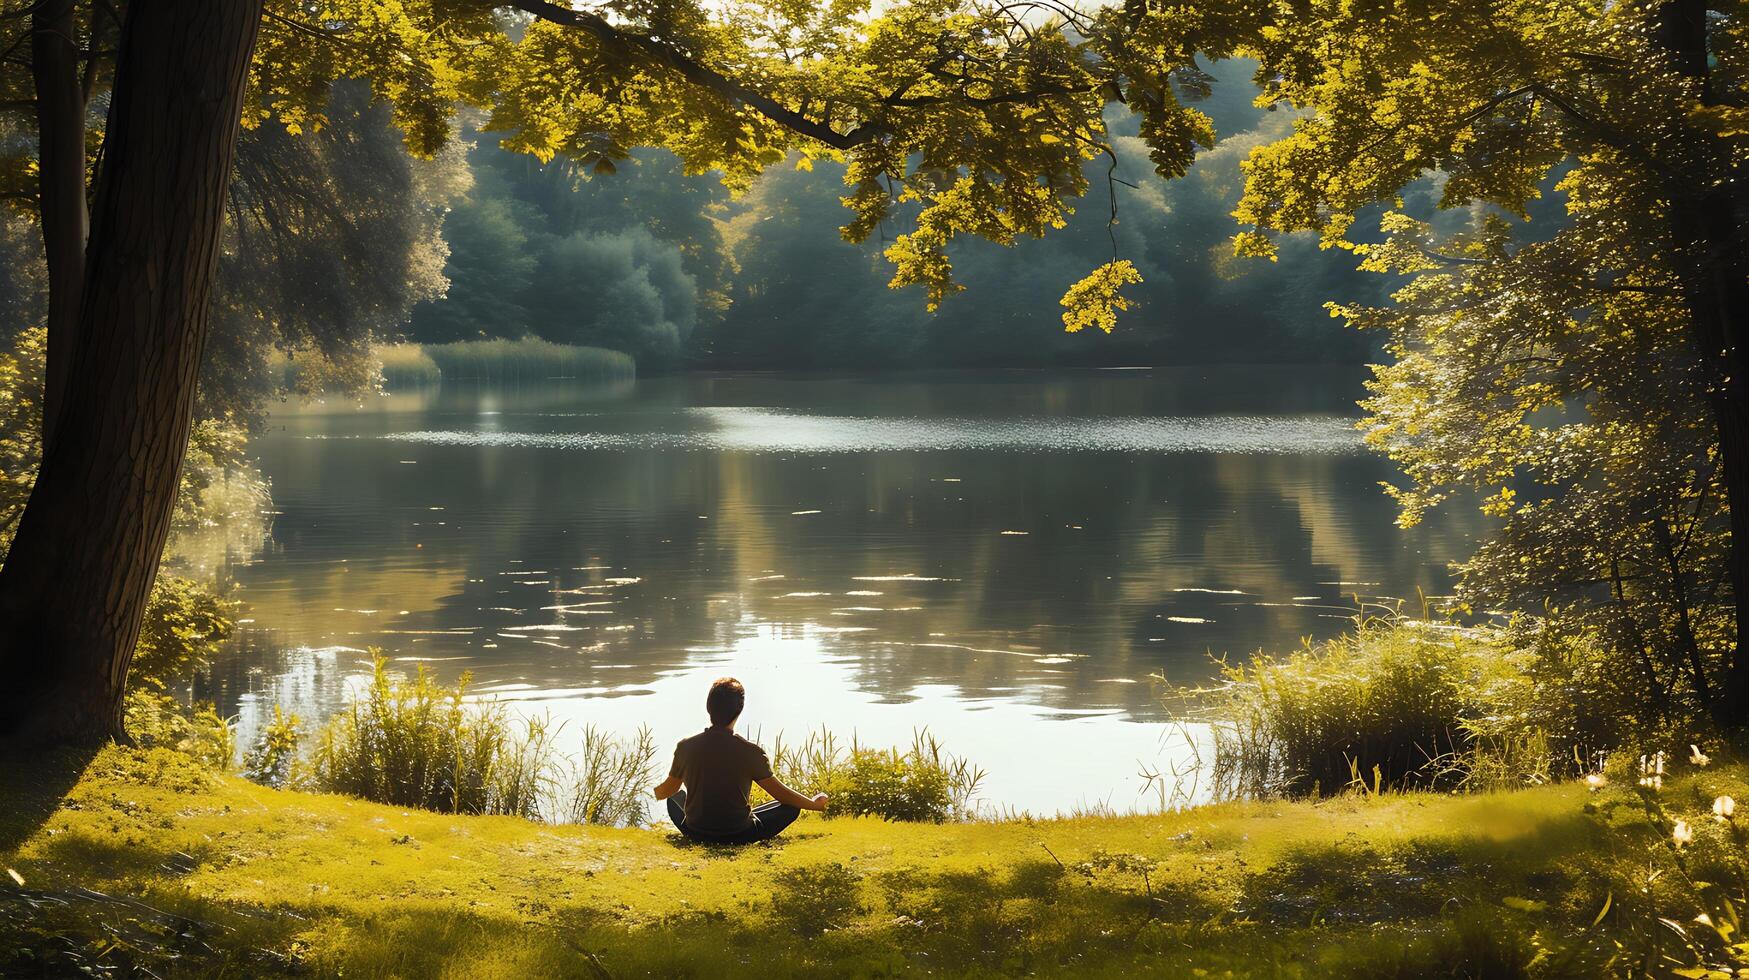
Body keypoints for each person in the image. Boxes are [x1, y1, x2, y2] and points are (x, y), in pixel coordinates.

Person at [652, 677, 827, 843]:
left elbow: (667, 791)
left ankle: (700, 825)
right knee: (791, 807)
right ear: (740, 709)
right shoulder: (751, 752)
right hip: (739, 834)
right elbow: (781, 794)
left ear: (708, 708)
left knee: (674, 797)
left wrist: (653, 792)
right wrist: (814, 804)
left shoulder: (685, 747)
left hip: (695, 832)